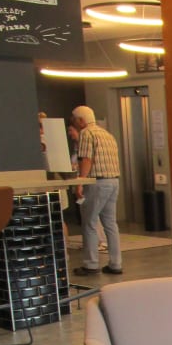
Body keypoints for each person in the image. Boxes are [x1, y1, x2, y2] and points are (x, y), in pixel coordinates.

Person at [70, 105, 123, 276]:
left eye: (74, 120)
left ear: (81, 120)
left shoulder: (86, 133)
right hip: (113, 181)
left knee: (89, 223)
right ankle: (116, 263)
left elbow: (87, 159)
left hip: (97, 182)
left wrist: (80, 182)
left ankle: (91, 264)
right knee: (110, 224)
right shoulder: (107, 135)